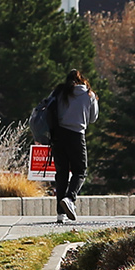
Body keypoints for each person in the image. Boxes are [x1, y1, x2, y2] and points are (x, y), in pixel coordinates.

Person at [45, 69, 98, 223]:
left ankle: (60, 214)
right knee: (80, 171)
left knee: (61, 173)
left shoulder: (59, 92)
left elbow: (48, 107)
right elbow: (93, 118)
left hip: (58, 135)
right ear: (82, 80)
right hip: (76, 135)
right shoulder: (89, 94)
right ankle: (70, 198)